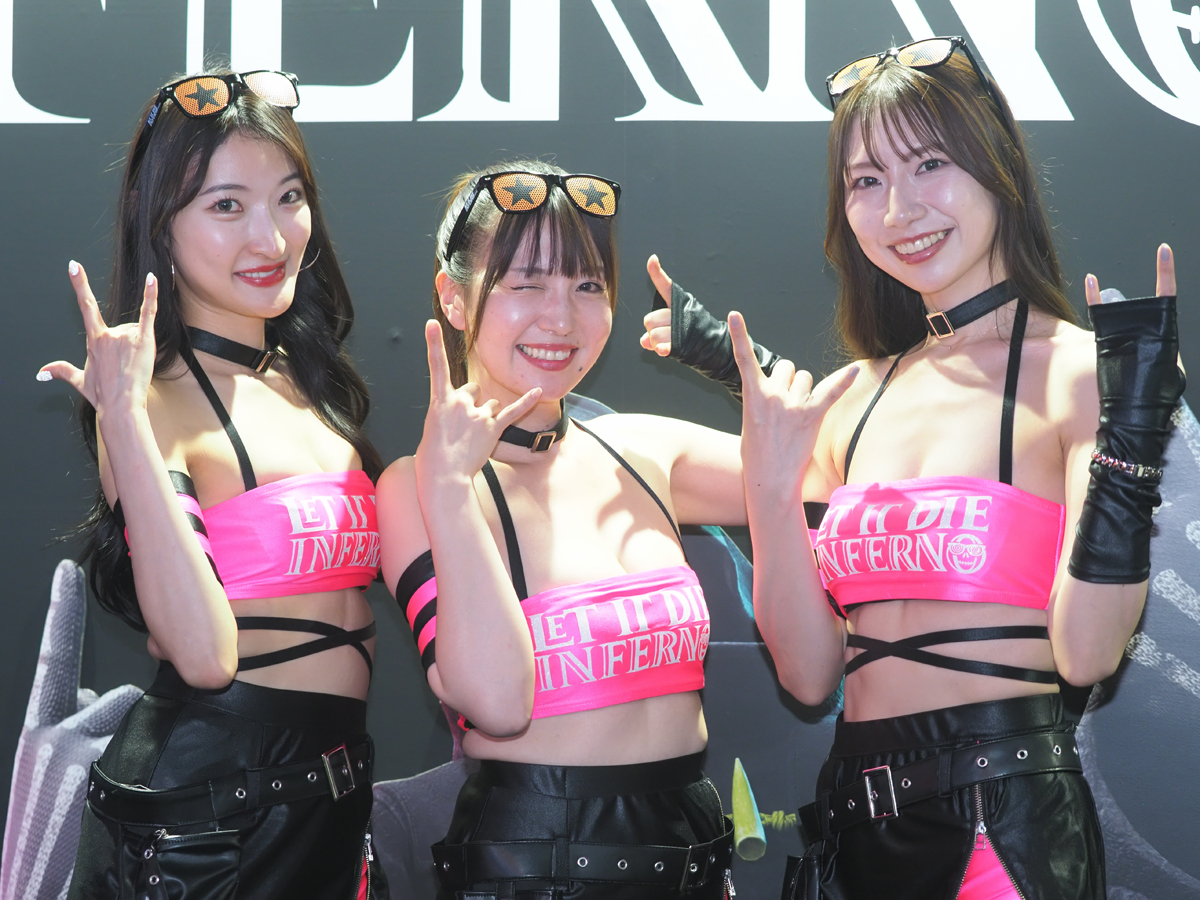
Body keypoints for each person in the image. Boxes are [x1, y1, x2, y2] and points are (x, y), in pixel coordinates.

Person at [640, 38, 1183, 900]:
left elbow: (1085, 655)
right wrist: (771, 483)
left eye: (930, 163)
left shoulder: (1079, 374)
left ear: (998, 164)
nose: (899, 208)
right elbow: (808, 674)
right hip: (852, 830)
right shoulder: (858, 397)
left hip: (1002, 827)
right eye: (866, 180)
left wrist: (1134, 432)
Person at [38, 69, 387, 899]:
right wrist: (123, 423)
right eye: (227, 205)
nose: (270, 238)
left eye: (289, 197)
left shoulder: (310, 387)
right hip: (205, 820)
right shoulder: (149, 403)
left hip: (327, 798)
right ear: (159, 223)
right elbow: (201, 655)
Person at [376, 161, 752, 899]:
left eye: (587, 285)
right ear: (452, 297)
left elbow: (840, 462)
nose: (561, 319)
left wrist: (737, 361)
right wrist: (450, 490)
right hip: (534, 866)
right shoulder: (413, 487)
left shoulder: (642, 449)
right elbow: (495, 704)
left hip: (692, 853)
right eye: (525, 284)